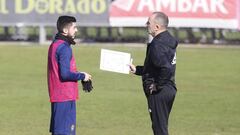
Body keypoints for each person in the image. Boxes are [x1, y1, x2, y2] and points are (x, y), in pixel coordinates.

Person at [129, 12, 178, 135]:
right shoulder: (169, 39)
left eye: (148, 22)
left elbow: (165, 68)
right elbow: (157, 66)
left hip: (159, 92)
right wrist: (137, 70)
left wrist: (157, 85)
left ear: (157, 27)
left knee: (159, 130)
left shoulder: (157, 44)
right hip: (169, 88)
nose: (146, 25)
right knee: (161, 127)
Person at [47, 15, 92, 135]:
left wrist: (80, 74)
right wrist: (82, 76)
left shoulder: (55, 44)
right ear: (65, 30)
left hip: (58, 96)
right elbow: (65, 74)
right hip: (65, 97)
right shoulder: (64, 48)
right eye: (74, 27)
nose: (76, 30)